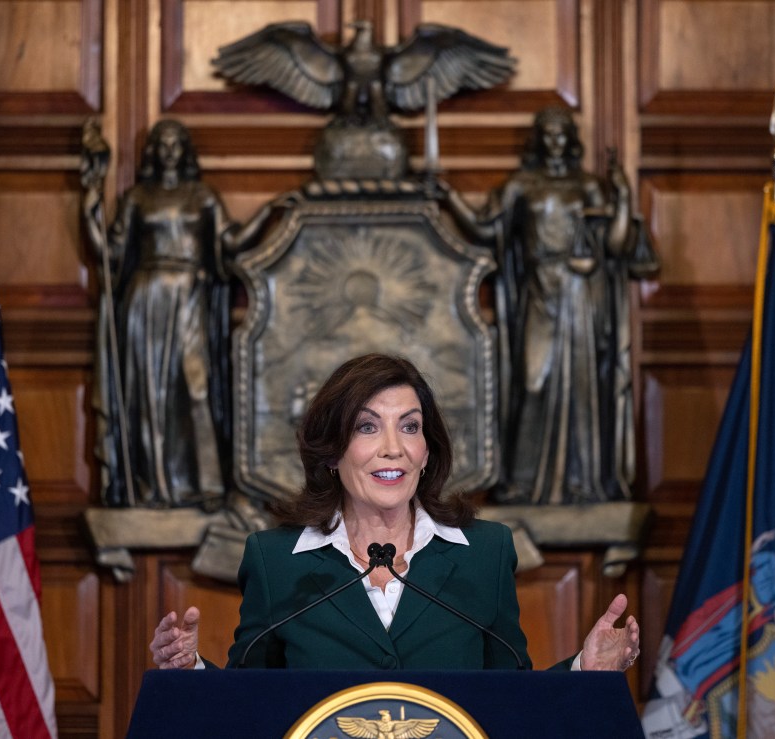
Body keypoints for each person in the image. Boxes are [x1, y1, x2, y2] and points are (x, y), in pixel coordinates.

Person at [149, 353, 640, 670]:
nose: (392, 448)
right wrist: (188, 666)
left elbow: (512, 700)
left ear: (427, 452)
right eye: (367, 427)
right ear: (332, 451)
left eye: (409, 427)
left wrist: (585, 670)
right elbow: (246, 706)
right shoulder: (276, 561)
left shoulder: (485, 553)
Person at [444, 106, 657, 506]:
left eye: (562, 133)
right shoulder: (521, 184)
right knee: (532, 380)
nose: (555, 141)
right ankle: (523, 482)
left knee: (582, 386)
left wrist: (624, 196)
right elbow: (485, 228)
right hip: (539, 292)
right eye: (548, 133)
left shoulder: (588, 186)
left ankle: (583, 482)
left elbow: (613, 243)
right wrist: (450, 198)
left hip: (580, 292)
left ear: (571, 139)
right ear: (537, 139)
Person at [82, 119, 272, 509]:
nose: (169, 150)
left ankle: (206, 484)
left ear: (185, 150)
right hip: (145, 299)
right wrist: (89, 205)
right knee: (150, 393)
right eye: (162, 144)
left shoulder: (202, 196)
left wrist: (268, 213)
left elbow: (230, 242)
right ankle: (152, 486)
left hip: (190, 296)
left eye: (176, 143)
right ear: (153, 151)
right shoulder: (137, 197)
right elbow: (111, 252)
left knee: (195, 385)